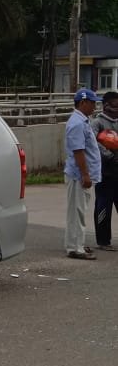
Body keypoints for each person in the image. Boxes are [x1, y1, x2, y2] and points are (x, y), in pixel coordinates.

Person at [64, 87, 101, 259]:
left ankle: (77, 243)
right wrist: (85, 174)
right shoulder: (77, 123)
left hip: (82, 175)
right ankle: (74, 248)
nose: (94, 107)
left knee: (78, 211)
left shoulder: (82, 121)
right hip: (79, 175)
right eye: (92, 103)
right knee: (76, 212)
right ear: (83, 102)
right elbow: (78, 151)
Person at [92, 90, 118, 250]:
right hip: (105, 172)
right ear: (106, 105)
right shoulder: (97, 123)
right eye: (115, 105)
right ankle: (103, 240)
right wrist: (109, 155)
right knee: (103, 206)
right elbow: (95, 144)